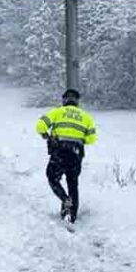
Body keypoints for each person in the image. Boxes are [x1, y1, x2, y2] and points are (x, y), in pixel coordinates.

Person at [35, 89, 97, 223]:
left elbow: (40, 125)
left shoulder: (57, 112)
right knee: (73, 183)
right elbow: (92, 139)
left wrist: (46, 135)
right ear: (77, 101)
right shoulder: (86, 117)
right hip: (76, 153)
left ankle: (65, 200)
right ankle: (72, 217)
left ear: (64, 100)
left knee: (52, 177)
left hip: (60, 150)